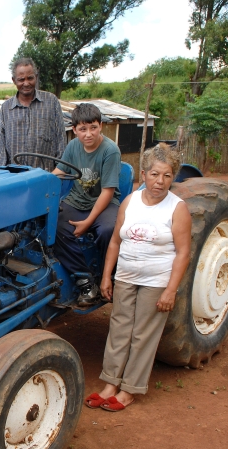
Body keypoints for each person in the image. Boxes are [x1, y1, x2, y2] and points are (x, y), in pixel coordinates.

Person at [83, 143, 192, 412]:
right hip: (127, 276)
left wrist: (171, 290)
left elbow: (183, 253)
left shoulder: (177, 209)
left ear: (173, 177)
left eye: (167, 175)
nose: (160, 181)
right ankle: (110, 383)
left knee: (143, 334)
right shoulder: (130, 202)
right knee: (119, 329)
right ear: (143, 174)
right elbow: (115, 243)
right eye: (155, 174)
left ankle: (130, 388)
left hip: (156, 281)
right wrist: (107, 276)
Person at [52, 103, 121, 306]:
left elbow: (107, 191)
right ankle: (85, 280)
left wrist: (89, 221)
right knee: (51, 225)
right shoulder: (73, 146)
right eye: (82, 129)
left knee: (108, 230)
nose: (88, 134)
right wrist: (42, 183)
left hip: (105, 203)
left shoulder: (110, 151)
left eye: (93, 127)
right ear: (74, 130)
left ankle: (109, 277)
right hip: (77, 200)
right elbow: (60, 172)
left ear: (101, 126)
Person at [0, 58, 65, 171]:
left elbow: (60, 139)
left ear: (36, 77)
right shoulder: (6, 108)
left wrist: (59, 172)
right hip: (15, 178)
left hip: (45, 176)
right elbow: (1, 146)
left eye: (30, 78)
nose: (26, 83)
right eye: (21, 79)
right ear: (14, 80)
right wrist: (0, 174)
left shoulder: (51, 101)